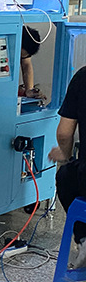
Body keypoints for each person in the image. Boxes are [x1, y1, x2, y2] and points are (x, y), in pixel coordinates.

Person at [48, 65, 86, 266]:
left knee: (65, 176)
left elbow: (64, 133)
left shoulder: (83, 77)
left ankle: (84, 239)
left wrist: (65, 154)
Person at [19, 25, 43, 99]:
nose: (21, 59)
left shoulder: (24, 45)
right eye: (20, 56)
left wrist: (29, 90)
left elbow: (26, 64)